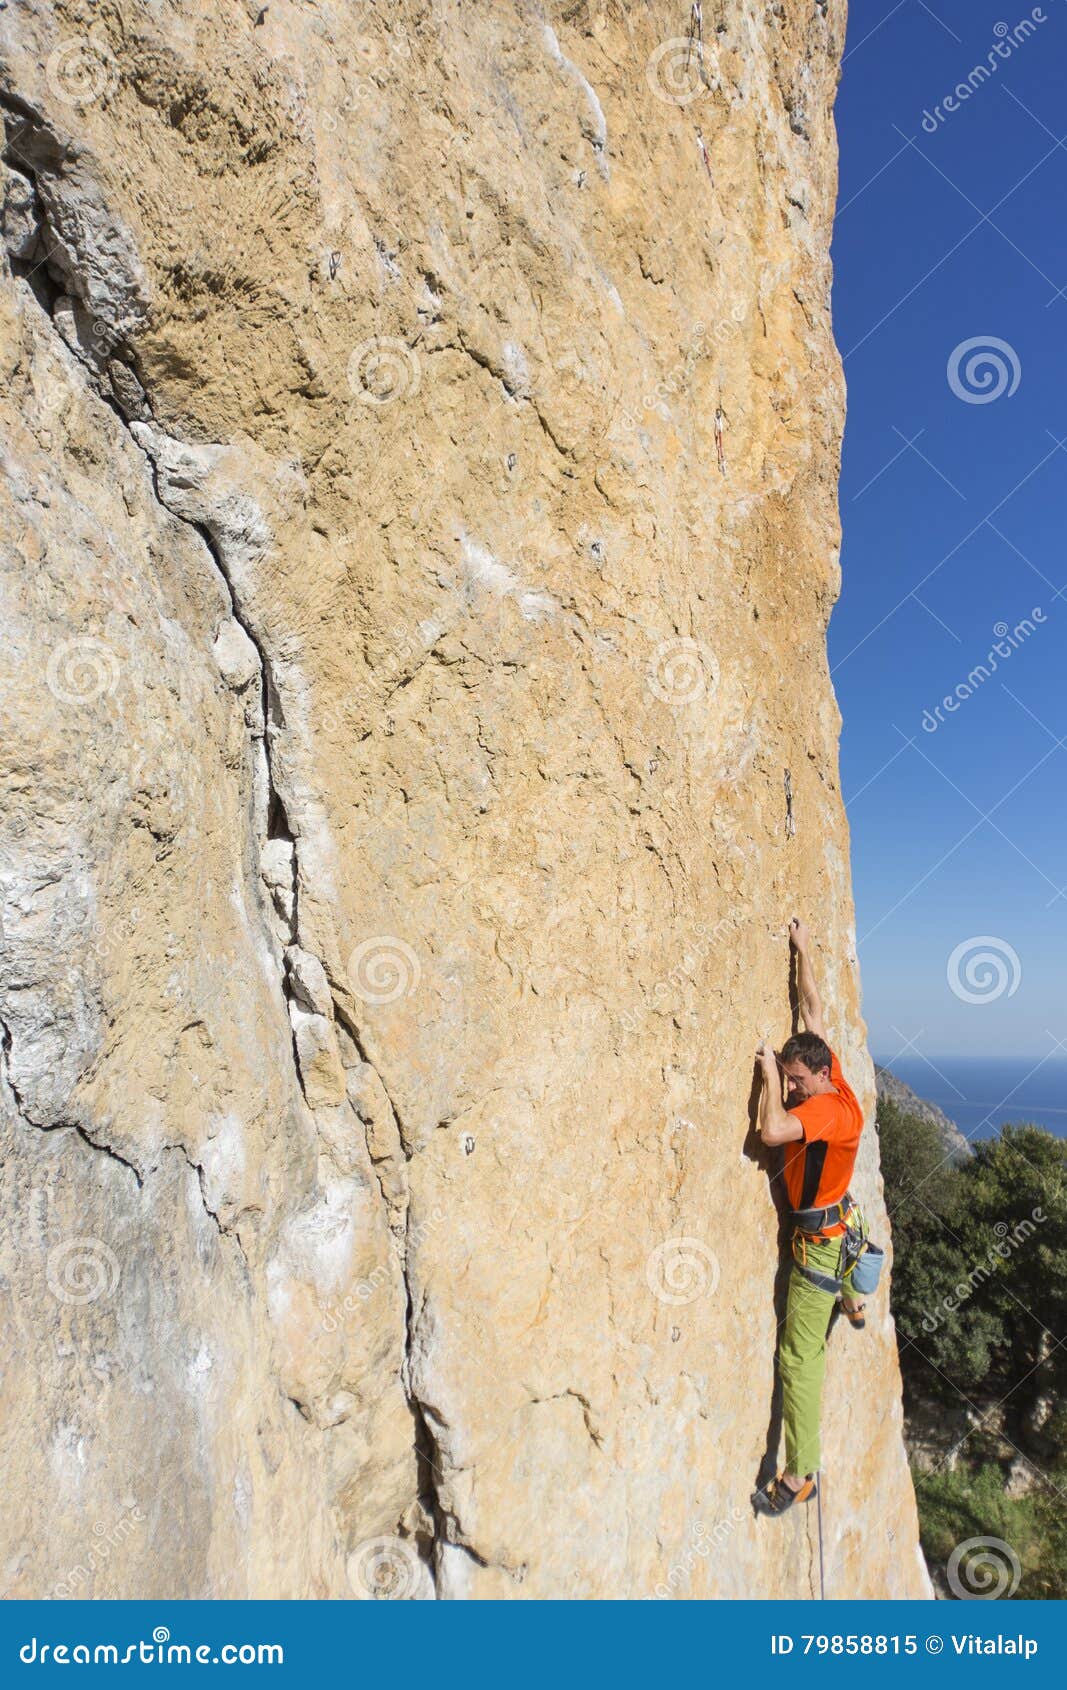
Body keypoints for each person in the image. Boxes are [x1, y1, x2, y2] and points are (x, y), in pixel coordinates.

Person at [752, 917, 866, 1518]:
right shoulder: (833, 1076)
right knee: (848, 1228)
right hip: (841, 1221)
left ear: (819, 1077)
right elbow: (815, 1009)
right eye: (792, 1080)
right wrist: (802, 948)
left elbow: (771, 1130)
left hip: (818, 1245)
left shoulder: (825, 1112)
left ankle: (800, 1473)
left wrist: (770, 1077)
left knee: (799, 1358)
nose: (795, 1090)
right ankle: (854, 1300)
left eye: (799, 1081)